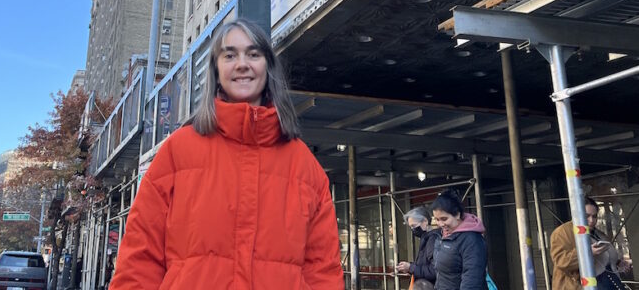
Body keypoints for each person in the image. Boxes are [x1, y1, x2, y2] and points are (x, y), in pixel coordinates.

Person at [110, 19, 344, 289]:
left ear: (267, 67)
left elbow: (323, 270)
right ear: (216, 70)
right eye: (230, 55)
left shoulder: (305, 166)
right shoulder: (177, 152)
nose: (242, 64)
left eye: (253, 54)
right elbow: (139, 260)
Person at [550, 197, 630, 290]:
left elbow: (604, 260)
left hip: (611, 282)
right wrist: (587, 253)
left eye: (594, 216)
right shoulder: (562, 232)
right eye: (586, 216)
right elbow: (561, 262)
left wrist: (618, 262)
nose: (591, 220)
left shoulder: (598, 233)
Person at [431, 190, 488, 290]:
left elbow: (472, 279)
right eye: (437, 219)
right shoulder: (442, 236)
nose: (440, 224)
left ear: (457, 214)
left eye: (444, 219)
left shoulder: (471, 239)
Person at [395, 206, 440, 288]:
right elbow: (425, 264)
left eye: (414, 225)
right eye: (410, 227)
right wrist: (408, 268)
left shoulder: (432, 239)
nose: (412, 229)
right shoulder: (426, 238)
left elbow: (434, 270)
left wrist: (411, 267)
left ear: (425, 221)